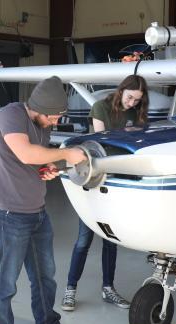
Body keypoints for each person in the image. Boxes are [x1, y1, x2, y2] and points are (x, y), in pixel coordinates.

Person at [0, 76, 87, 324]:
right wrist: (65, 155)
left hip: (37, 213)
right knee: (6, 281)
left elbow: (33, 161)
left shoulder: (40, 123)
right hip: (9, 214)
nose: (54, 123)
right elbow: (25, 153)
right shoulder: (11, 115)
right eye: (53, 117)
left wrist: (46, 169)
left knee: (45, 278)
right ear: (39, 108)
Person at [61, 74, 149, 311]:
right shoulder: (101, 107)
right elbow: (101, 142)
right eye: (130, 97)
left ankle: (108, 288)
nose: (132, 103)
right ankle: (70, 290)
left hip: (118, 183)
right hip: (95, 179)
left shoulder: (136, 113)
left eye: (137, 100)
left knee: (111, 240)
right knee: (83, 240)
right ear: (121, 91)